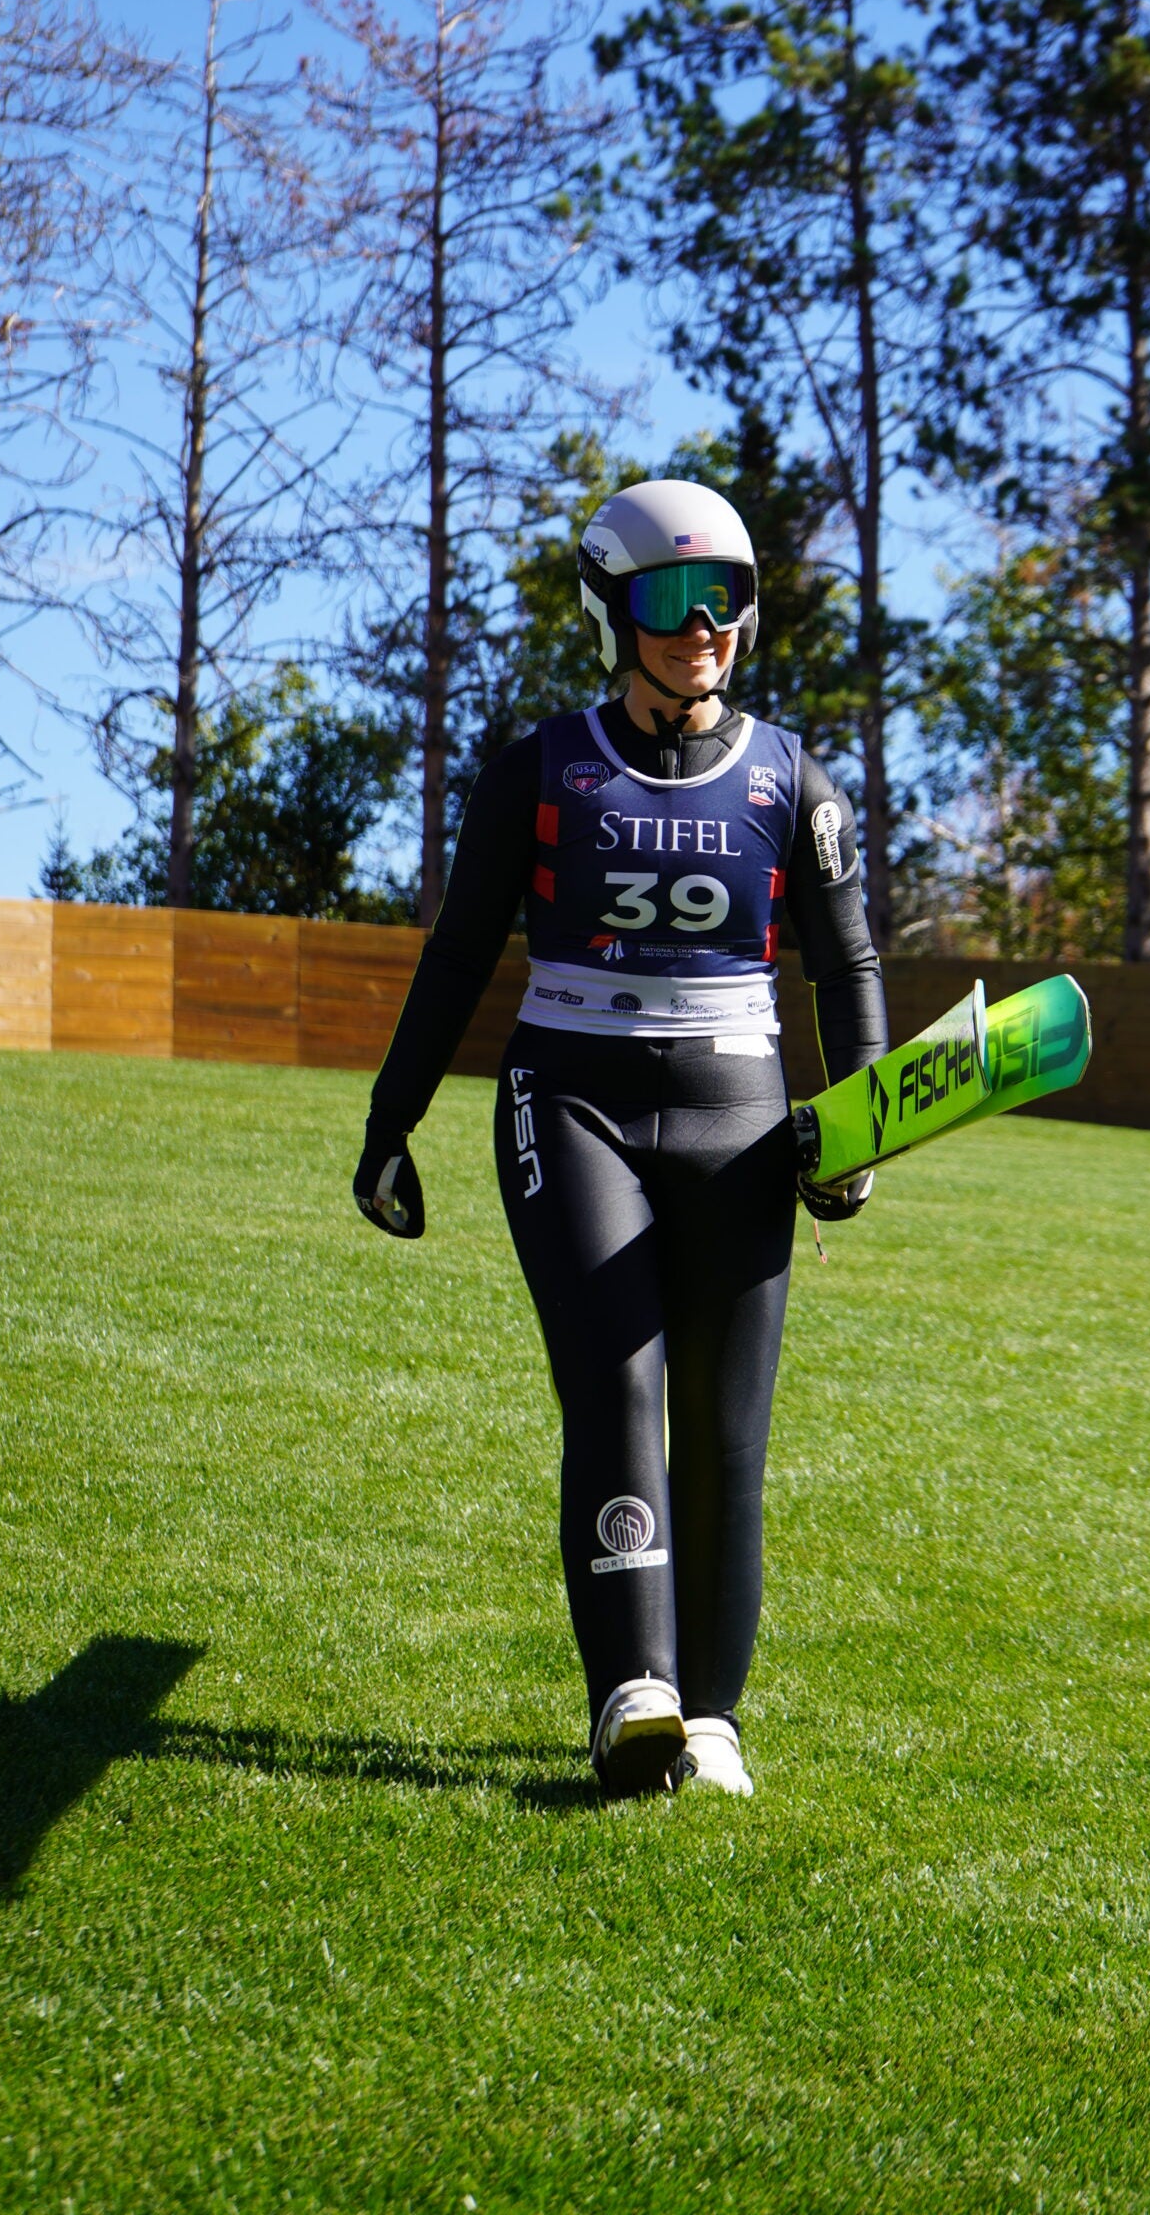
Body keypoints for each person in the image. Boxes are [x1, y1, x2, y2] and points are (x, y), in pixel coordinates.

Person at [352, 480, 888, 1799]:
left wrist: (864, 1127)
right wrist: (390, 1123)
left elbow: (848, 962)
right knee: (620, 1387)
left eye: (727, 600)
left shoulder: (792, 779)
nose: (701, 626)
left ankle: (711, 1721)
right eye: (667, 600)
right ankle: (630, 1698)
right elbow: (462, 953)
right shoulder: (539, 770)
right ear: (610, 608)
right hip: (569, 1105)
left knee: (724, 1429)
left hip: (741, 1121)